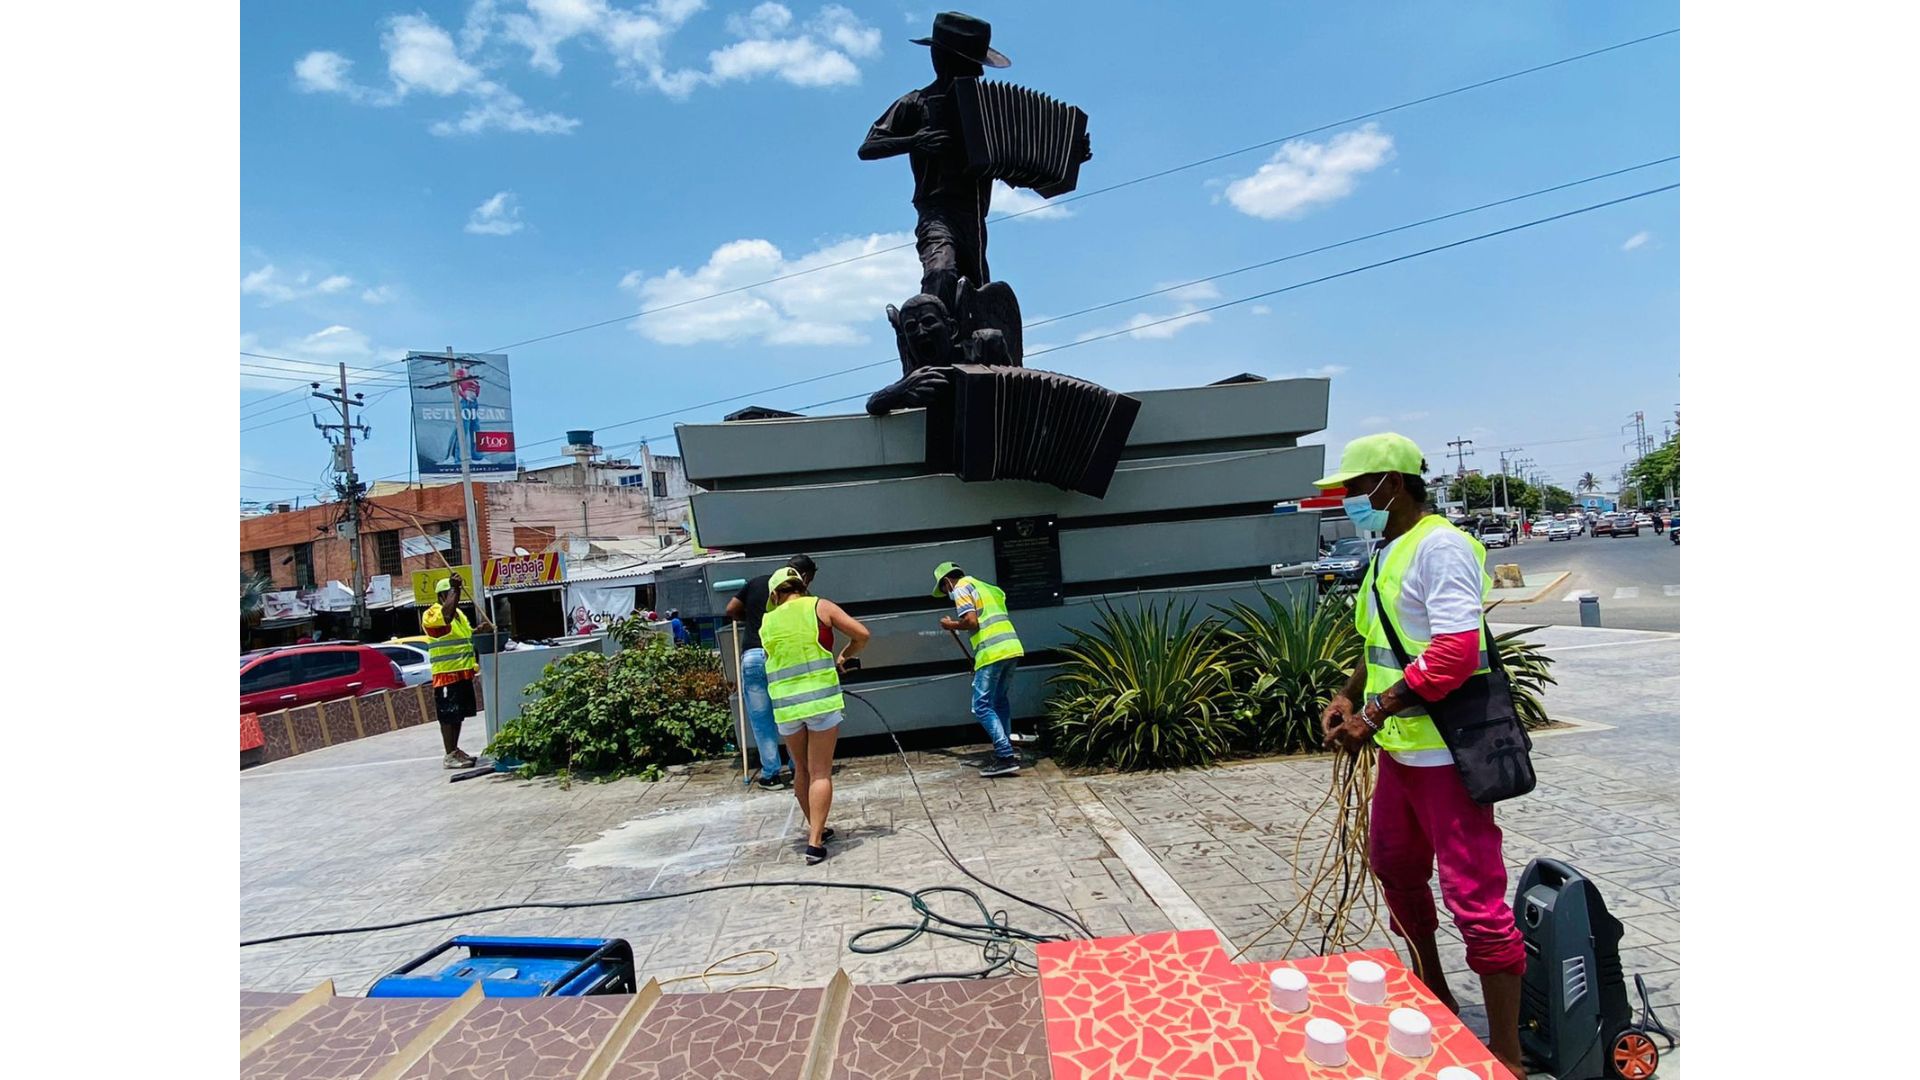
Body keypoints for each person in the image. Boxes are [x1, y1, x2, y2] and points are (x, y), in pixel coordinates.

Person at [1313, 433, 1526, 1078]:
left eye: (1354, 488)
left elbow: (1455, 653)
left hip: (1448, 759)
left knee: (1474, 901)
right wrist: (1350, 698)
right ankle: (1430, 984)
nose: (1348, 500)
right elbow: (1379, 644)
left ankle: (1508, 1054)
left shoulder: (1441, 546)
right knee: (1395, 868)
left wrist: (1373, 715)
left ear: (1392, 484)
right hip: (1401, 756)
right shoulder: (1388, 551)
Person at [858, 12, 1089, 311]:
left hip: (974, 218)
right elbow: (868, 147)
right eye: (970, 62)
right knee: (940, 271)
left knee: (977, 299)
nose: (979, 73)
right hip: (937, 211)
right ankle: (931, 346)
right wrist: (914, 141)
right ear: (941, 57)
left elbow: (1015, 169)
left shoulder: (986, 110)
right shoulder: (916, 102)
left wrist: (1070, 157)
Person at [761, 566, 869, 864]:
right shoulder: (820, 605)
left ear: (775, 594)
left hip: (786, 705)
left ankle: (817, 830)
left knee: (801, 770)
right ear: (800, 586)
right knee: (821, 771)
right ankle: (815, 842)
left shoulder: (767, 621)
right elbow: (862, 634)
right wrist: (844, 656)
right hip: (820, 700)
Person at [725, 555, 821, 789]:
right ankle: (798, 767)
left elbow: (730, 609)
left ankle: (770, 773)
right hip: (781, 658)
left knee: (761, 720)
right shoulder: (802, 597)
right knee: (790, 714)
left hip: (752, 656)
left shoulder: (757, 582)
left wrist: (749, 619)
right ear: (805, 577)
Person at [933, 560, 1024, 777]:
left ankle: (1004, 755)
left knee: (981, 705)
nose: (947, 594)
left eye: (945, 589)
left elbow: (971, 622)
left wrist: (950, 625)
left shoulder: (962, 588)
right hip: (1011, 648)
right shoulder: (989, 589)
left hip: (991, 652)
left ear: (947, 581)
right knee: (999, 701)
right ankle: (1006, 750)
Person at [422, 573, 493, 769]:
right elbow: (444, 619)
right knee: (448, 715)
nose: (456, 597)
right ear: (443, 596)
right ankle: (449, 754)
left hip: (462, 673)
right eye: (452, 593)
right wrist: (455, 588)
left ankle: (455, 750)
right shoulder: (432, 614)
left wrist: (478, 631)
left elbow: (464, 635)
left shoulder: (459, 615)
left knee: (458, 714)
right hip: (446, 674)